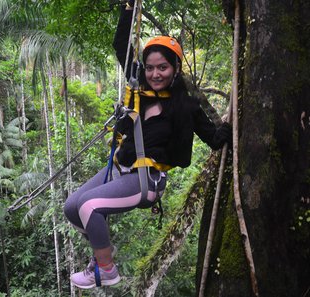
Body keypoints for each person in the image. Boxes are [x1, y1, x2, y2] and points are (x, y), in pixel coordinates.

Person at [63, 0, 231, 289]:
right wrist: (129, 7)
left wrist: (228, 125)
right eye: (151, 68)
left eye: (163, 68)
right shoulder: (138, 89)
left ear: (175, 68)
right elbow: (121, 44)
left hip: (146, 181)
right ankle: (101, 252)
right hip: (121, 168)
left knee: (89, 206)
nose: (155, 74)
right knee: (71, 207)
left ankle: (106, 270)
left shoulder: (186, 106)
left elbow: (214, 140)